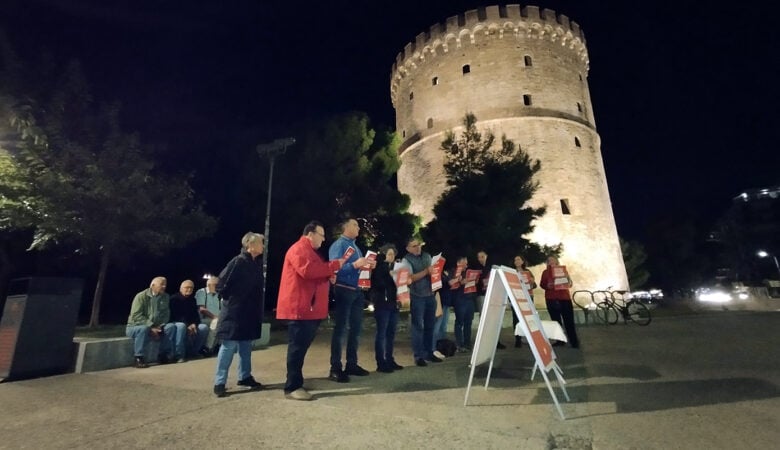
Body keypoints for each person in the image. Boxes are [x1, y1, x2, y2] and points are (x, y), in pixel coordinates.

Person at [277, 221, 351, 401]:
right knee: (297, 348)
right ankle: (292, 386)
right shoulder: (299, 249)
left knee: (300, 348)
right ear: (310, 233)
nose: (323, 239)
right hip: (301, 309)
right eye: (321, 234)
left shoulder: (309, 251)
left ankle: (296, 382)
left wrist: (328, 274)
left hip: (308, 309)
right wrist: (332, 266)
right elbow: (308, 271)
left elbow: (314, 272)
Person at [212, 232, 266, 397]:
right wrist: (232, 300)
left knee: (245, 346)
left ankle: (245, 377)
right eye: (260, 243)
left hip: (249, 312)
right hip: (235, 312)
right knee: (228, 346)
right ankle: (219, 382)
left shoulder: (256, 263)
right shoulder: (238, 261)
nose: (263, 246)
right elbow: (221, 284)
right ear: (250, 245)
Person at [328, 218, 375, 383]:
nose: (358, 228)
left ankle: (351, 364)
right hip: (344, 289)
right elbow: (333, 269)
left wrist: (367, 265)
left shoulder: (356, 247)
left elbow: (357, 266)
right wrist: (355, 265)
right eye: (355, 224)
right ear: (345, 227)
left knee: (355, 329)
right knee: (340, 329)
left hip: (357, 291)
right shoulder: (339, 245)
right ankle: (335, 367)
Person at [404, 237, 441, 366]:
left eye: (418, 245)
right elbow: (410, 278)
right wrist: (426, 271)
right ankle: (418, 356)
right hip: (417, 296)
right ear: (408, 248)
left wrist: (435, 272)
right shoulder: (406, 260)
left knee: (430, 326)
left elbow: (433, 271)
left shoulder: (427, 256)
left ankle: (429, 352)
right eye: (414, 246)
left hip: (430, 294)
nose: (418, 247)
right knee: (418, 327)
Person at [125, 277, 176, 368]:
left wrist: (160, 326)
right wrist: (151, 326)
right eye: (162, 284)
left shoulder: (165, 297)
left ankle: (163, 355)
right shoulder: (141, 296)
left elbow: (166, 314)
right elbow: (136, 315)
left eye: (165, 284)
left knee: (171, 327)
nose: (164, 287)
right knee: (144, 329)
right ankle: (138, 357)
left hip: (156, 326)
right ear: (153, 285)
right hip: (135, 326)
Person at [369, 243, 403, 373]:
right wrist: (391, 275)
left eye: (393, 254)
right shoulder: (379, 267)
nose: (392, 256)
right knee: (382, 333)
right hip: (382, 303)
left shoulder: (396, 267)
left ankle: (390, 359)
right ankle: (381, 362)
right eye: (389, 254)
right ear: (383, 255)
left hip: (393, 303)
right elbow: (378, 284)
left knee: (391, 333)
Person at [539, 255, 580, 349]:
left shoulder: (563, 271)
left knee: (569, 321)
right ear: (547, 263)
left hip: (564, 298)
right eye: (549, 260)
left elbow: (570, 284)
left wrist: (566, 279)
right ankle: (560, 340)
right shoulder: (545, 272)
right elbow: (542, 284)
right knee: (556, 322)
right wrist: (547, 285)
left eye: (553, 260)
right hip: (551, 299)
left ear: (557, 261)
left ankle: (574, 341)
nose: (551, 261)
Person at [169, 279, 210, 362]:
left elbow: (195, 315)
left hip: (190, 324)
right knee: (181, 327)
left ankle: (194, 352)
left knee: (204, 328)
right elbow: (175, 315)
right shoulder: (174, 299)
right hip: (176, 322)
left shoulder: (192, 300)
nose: (189, 289)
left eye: (191, 288)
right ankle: (179, 355)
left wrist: (194, 324)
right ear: (181, 288)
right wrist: (188, 325)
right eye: (187, 287)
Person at [476, 250, 506, 349]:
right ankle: (484, 341)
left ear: (486, 256)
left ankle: (496, 341)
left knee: (493, 317)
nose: (480, 259)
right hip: (482, 295)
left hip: (493, 295)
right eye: (479, 257)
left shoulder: (492, 267)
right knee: (484, 318)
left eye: (482, 256)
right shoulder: (477, 269)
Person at [512, 255, 537, 348]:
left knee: (529, 318)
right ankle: (518, 339)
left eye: (518, 259)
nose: (516, 261)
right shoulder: (512, 272)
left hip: (528, 297)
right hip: (516, 297)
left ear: (523, 261)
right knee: (516, 318)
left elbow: (534, 285)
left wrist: (531, 282)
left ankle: (530, 338)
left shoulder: (528, 272)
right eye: (515, 260)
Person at [452, 256, 476, 352]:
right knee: (459, 322)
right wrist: (460, 282)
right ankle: (459, 344)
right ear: (458, 263)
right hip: (460, 299)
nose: (466, 265)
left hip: (469, 298)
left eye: (466, 263)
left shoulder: (468, 272)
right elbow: (451, 285)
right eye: (464, 263)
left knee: (468, 322)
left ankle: (467, 343)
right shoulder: (454, 272)